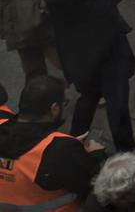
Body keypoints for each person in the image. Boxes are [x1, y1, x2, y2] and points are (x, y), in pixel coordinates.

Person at [37, 0, 135, 151]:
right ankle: (127, 149)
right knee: (117, 98)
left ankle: (75, 143)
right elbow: (80, 9)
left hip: (86, 49)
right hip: (96, 47)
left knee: (90, 95)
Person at [0, 74, 105, 211]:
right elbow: (90, 184)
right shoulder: (58, 150)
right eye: (64, 102)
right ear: (54, 108)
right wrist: (95, 155)